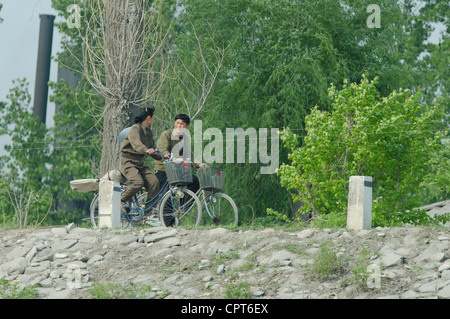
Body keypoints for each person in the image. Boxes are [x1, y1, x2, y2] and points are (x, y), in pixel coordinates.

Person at [119, 107, 161, 213]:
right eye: (153, 118)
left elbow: (153, 149)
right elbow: (136, 144)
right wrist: (146, 150)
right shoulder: (135, 129)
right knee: (138, 182)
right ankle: (120, 201)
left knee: (154, 182)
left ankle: (148, 210)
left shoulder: (148, 132)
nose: (153, 120)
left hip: (139, 164)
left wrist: (163, 156)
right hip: (128, 163)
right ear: (149, 118)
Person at [155, 114, 205, 192]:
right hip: (164, 169)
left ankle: (184, 204)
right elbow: (162, 148)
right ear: (174, 123)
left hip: (176, 170)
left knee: (195, 182)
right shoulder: (167, 134)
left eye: (182, 124)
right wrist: (169, 156)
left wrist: (198, 164)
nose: (179, 126)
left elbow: (188, 154)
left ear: (187, 126)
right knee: (166, 197)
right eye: (177, 123)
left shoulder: (185, 138)